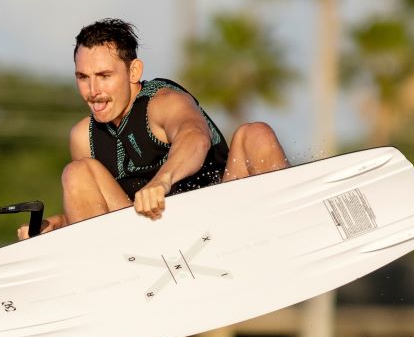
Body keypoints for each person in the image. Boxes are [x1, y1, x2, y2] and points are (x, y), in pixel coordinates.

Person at [20, 18, 289, 238]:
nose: (93, 92)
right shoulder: (83, 137)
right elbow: (93, 210)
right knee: (78, 172)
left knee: (255, 134)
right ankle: (112, 277)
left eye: (104, 76)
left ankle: (287, 228)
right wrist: (56, 226)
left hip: (222, 221)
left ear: (133, 72)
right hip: (150, 243)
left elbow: (194, 138)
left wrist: (162, 181)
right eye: (83, 78)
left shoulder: (162, 103)